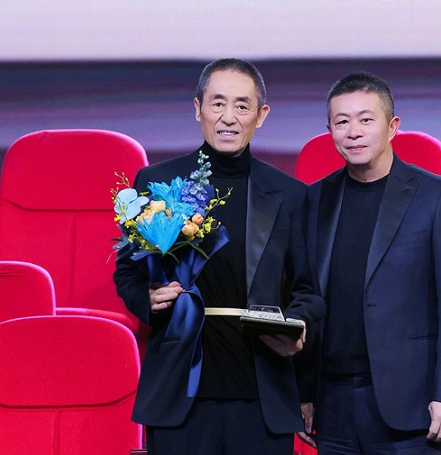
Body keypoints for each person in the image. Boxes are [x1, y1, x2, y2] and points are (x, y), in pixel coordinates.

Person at [114, 58, 325, 455]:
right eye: (218, 103)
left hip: (262, 390)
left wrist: (296, 328)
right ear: (198, 109)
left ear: (261, 115)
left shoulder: (289, 194)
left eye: (242, 106)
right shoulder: (157, 184)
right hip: (179, 388)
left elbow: (308, 290)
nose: (229, 117)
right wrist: (147, 298)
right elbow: (128, 271)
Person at [298, 72, 441, 454]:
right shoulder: (315, 200)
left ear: (393, 126)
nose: (354, 132)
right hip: (333, 407)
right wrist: (304, 392)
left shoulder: (437, 196)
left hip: (412, 406)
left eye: (366, 120)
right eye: (342, 122)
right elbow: (307, 299)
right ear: (330, 131)